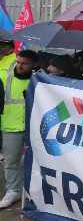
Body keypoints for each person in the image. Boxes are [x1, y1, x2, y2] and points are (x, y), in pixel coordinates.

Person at [0, 49, 37, 208]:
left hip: (33, 126)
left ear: (33, 65)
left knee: (35, 161)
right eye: (18, 62)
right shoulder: (4, 76)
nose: (20, 66)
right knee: (11, 161)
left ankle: (32, 190)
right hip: (10, 125)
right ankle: (12, 191)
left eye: (24, 63)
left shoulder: (38, 79)